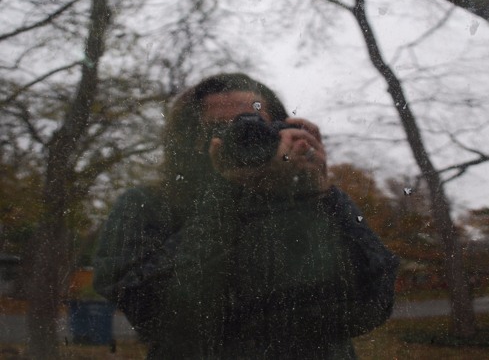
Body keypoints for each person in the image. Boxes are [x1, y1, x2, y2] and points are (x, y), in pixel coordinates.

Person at [94, 73, 399, 359]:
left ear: (281, 132)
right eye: (219, 129)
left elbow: (372, 306)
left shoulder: (305, 203)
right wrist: (230, 195)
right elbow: (152, 311)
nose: (242, 138)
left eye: (256, 128)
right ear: (190, 141)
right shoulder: (146, 204)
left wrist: (320, 193)